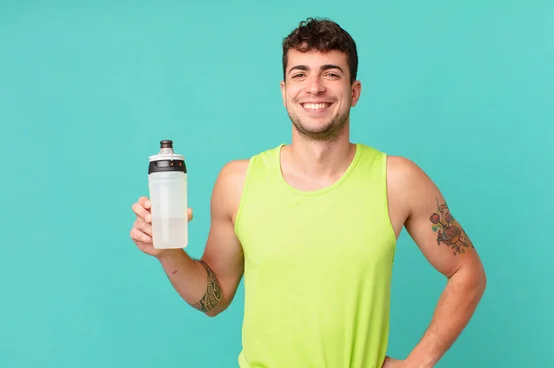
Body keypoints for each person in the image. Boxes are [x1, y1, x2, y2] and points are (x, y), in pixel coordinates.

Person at [130, 17, 487, 368]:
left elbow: (467, 271)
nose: (314, 87)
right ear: (284, 92)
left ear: (354, 91)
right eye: (300, 74)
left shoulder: (396, 180)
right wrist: (168, 254)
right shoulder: (238, 182)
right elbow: (215, 298)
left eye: (331, 73)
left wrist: (418, 363)